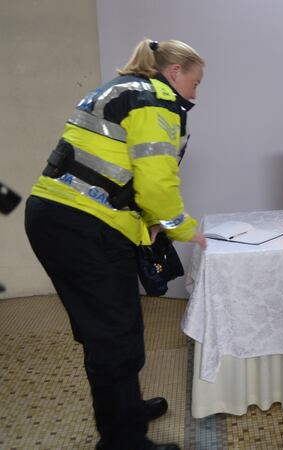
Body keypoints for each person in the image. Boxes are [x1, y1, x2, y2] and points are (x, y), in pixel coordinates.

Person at [24, 39, 207, 449]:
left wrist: (150, 227)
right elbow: (157, 183)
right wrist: (183, 228)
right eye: (195, 82)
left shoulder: (125, 89)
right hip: (81, 227)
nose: (196, 93)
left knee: (115, 328)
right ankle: (123, 441)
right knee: (113, 336)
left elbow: (118, 175)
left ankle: (126, 411)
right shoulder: (155, 101)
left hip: (66, 220)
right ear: (175, 72)